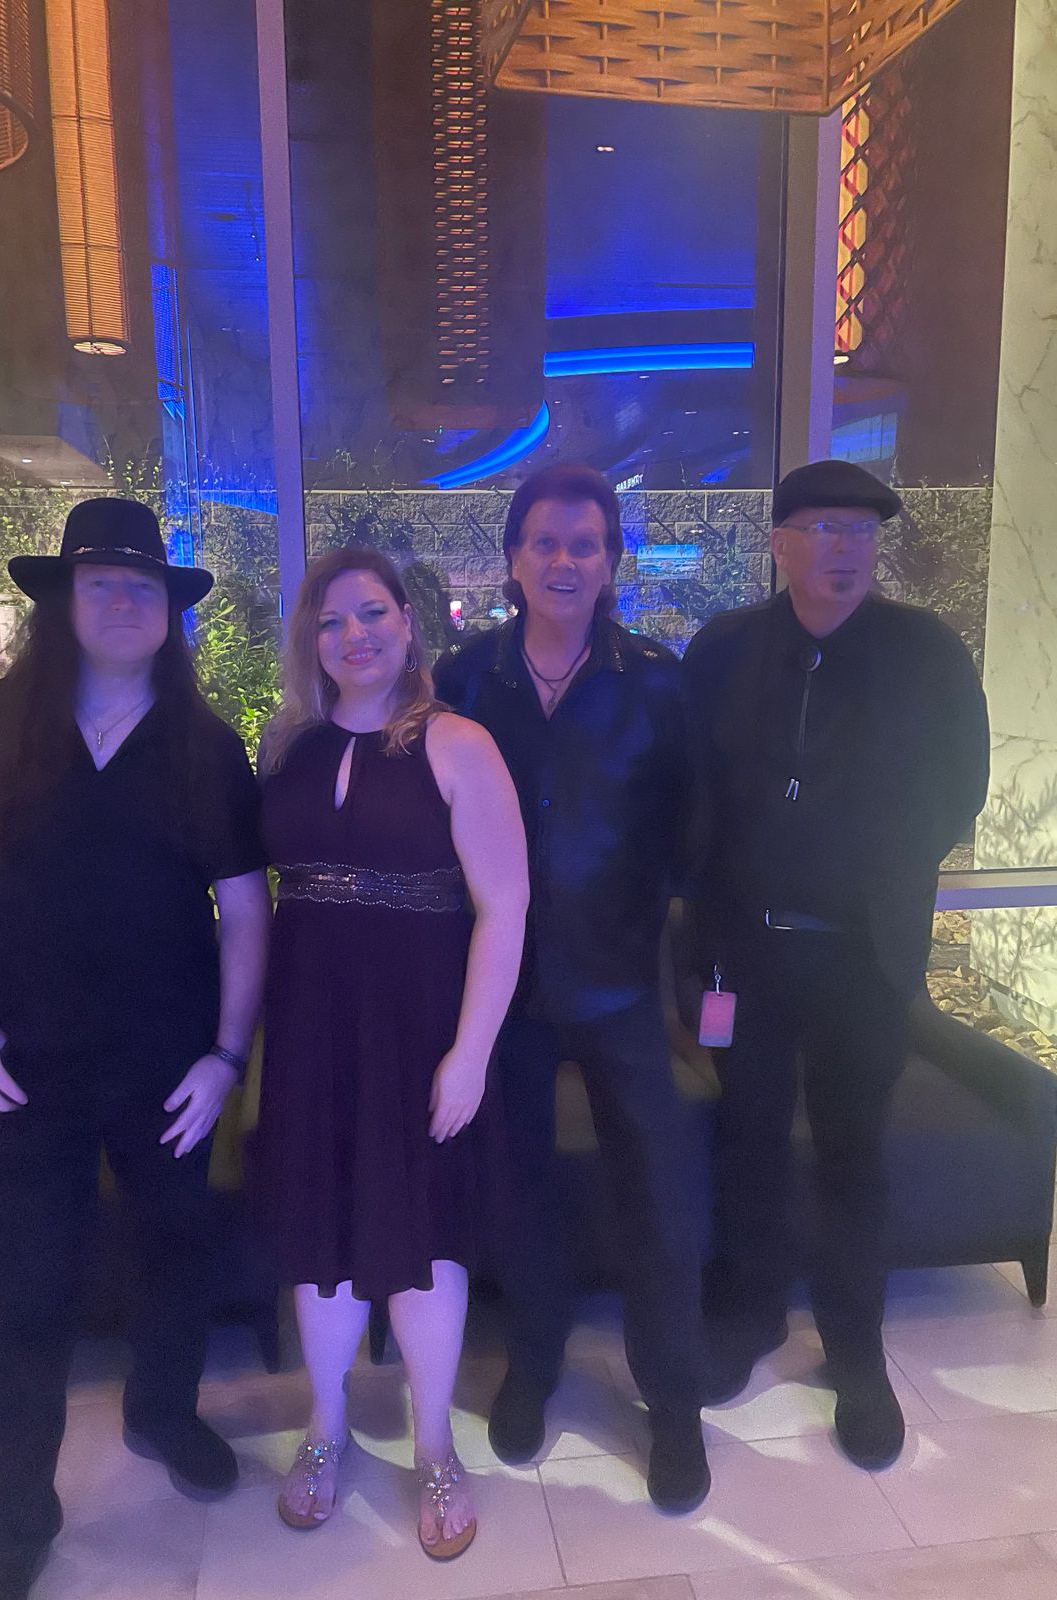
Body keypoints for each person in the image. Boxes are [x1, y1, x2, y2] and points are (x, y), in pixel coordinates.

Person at [0, 499, 271, 1600]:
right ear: (59, 602)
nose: (121, 601)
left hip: (172, 1066)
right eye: (98, 582)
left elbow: (247, 912)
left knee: (177, 1259)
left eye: (142, 586)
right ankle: (11, 1525)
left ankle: (164, 1412)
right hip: (23, 1069)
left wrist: (227, 1056)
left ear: (168, 612)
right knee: (20, 1298)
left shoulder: (207, 744)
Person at [682, 459, 990, 1469]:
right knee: (750, 1140)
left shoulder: (926, 652)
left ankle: (855, 1347)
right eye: (822, 528)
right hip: (747, 952)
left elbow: (961, 785)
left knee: (855, 1151)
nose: (844, 549)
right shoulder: (725, 650)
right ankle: (747, 1313)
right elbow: (690, 783)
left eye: (861, 531)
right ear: (780, 544)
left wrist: (884, 868)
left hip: (864, 956)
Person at [433, 464, 708, 1514]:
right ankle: (534, 1363)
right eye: (543, 542)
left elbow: (690, 830)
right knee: (521, 1195)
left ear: (611, 561)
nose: (563, 561)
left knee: (662, 1201)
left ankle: (672, 1403)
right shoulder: (465, 679)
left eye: (584, 543)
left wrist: (674, 954)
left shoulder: (658, 682)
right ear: (512, 559)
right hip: (501, 993)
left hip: (620, 988)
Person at [255, 546, 527, 1560]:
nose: (353, 634)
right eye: (331, 620)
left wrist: (471, 1052)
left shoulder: (458, 742)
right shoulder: (286, 744)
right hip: (310, 1028)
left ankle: (436, 1445)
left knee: (424, 1241)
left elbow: (506, 907)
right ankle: (325, 1429)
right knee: (319, 1240)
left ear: (409, 623)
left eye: (372, 612)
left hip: (419, 1032)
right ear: (310, 639)